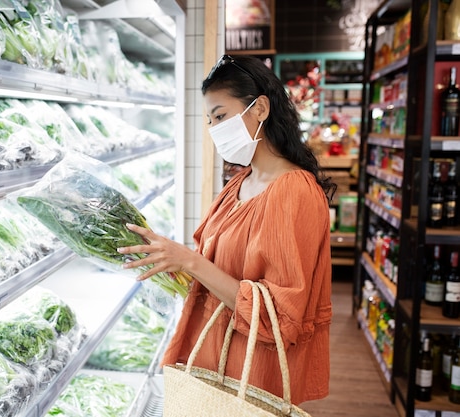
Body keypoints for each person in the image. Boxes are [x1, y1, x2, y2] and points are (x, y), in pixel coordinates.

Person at [117, 55, 335, 405]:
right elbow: (221, 271)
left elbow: (278, 320)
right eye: (210, 120)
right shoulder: (241, 181)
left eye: (220, 116)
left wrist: (190, 262)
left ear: (260, 108)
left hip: (250, 375)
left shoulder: (294, 192)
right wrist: (164, 257)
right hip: (214, 365)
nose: (214, 129)